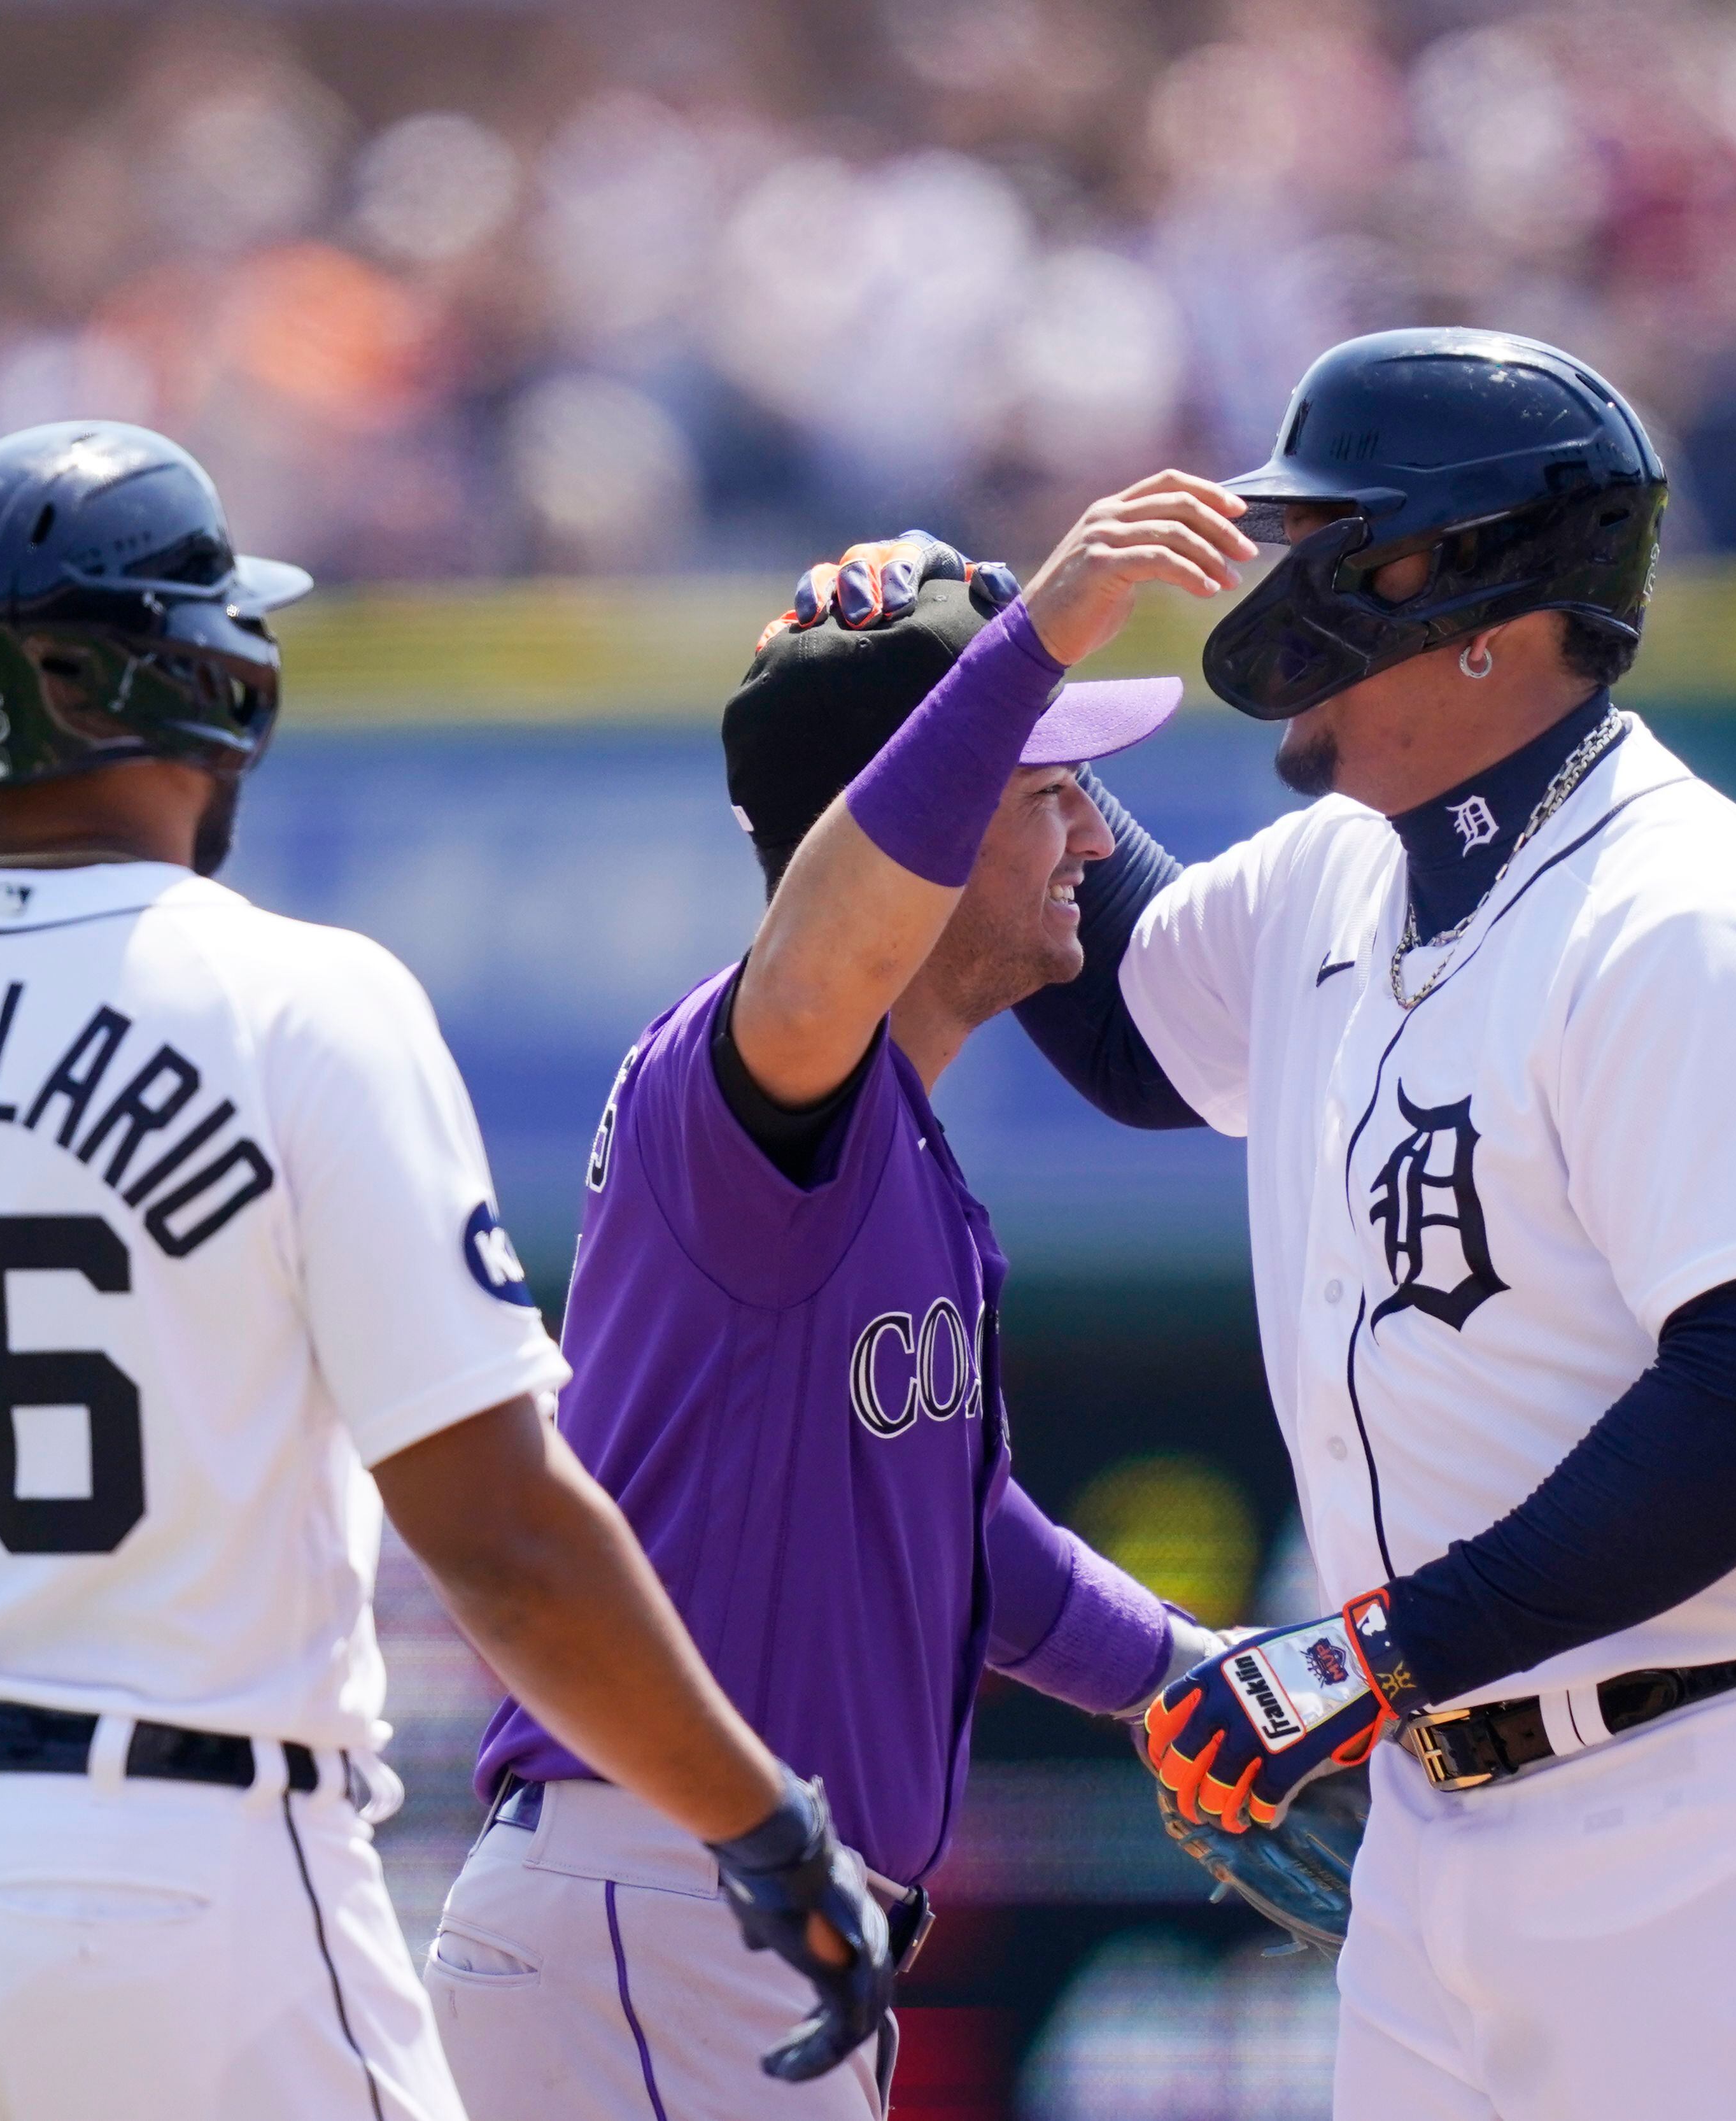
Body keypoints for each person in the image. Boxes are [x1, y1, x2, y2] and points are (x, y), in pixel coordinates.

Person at [0, 421, 889, 2121]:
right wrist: (759, 1819)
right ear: (180, 677)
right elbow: (506, 1538)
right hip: (177, 1870)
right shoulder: (292, 1001)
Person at [871, 330, 1736, 2117]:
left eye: (1324, 535)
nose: (1272, 578)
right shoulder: (1348, 865)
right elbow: (1111, 1017)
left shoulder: (1683, 916)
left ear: (1463, 586)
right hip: (1446, 1834)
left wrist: (1376, 1651)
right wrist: (969, 690)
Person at [425, 479, 1252, 2118]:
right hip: (654, 1901)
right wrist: (1037, 633)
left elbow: (964, 1535)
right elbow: (819, 948)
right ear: (912, 830)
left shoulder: (879, 1145)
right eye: (1046, 787)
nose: (1093, 832)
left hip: (707, 1924)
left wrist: (1196, 1681)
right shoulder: (742, 1087)